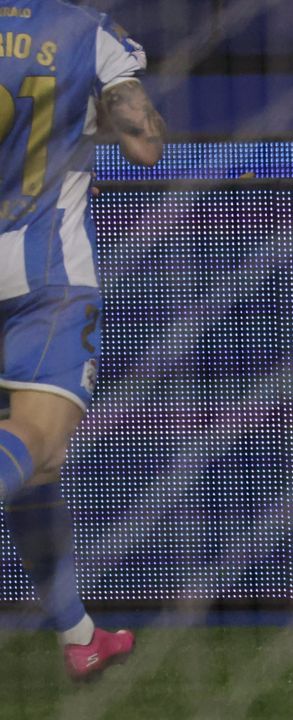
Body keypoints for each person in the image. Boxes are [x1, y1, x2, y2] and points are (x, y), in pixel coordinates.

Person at [1, 0, 164, 680]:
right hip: (46, 275)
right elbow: (144, 144)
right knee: (37, 437)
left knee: (35, 471)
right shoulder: (86, 33)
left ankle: (79, 635)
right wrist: (94, 113)